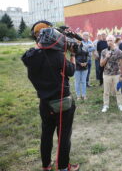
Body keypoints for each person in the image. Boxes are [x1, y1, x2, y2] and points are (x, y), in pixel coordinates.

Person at [22, 21, 79, 171]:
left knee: (46, 135)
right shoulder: (57, 56)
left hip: (44, 103)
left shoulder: (30, 56)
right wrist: (72, 54)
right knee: (64, 136)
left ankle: (46, 166)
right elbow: (71, 71)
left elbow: (29, 54)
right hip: (62, 103)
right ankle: (63, 167)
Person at [100, 35, 122, 113]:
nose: (109, 42)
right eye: (108, 41)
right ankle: (106, 105)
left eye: (111, 40)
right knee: (106, 91)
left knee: (118, 90)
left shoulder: (119, 51)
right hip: (106, 74)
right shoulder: (104, 51)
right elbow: (101, 64)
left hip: (117, 74)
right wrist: (106, 57)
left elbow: (121, 64)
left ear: (114, 41)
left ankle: (120, 104)